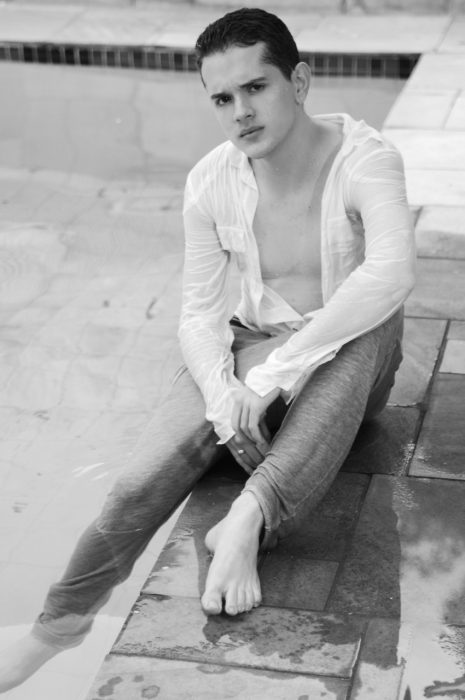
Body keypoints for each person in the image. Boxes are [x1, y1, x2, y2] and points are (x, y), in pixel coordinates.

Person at [0, 7, 415, 692]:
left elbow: (392, 274)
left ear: (299, 82)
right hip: (251, 350)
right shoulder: (210, 179)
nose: (240, 112)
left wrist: (276, 374)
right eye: (222, 98)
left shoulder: (365, 159)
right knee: (139, 482)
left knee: (367, 319)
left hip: (346, 357)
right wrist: (225, 400)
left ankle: (247, 516)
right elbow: (197, 315)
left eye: (255, 87)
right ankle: (58, 626)